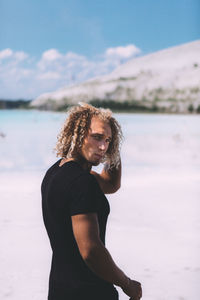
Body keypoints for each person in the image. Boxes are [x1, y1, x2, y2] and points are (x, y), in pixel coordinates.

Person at [41, 103, 142, 300]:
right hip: (88, 290)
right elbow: (91, 250)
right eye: (96, 137)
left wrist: (112, 150)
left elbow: (111, 184)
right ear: (76, 133)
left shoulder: (55, 172)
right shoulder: (82, 183)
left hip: (59, 288)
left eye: (108, 141)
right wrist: (126, 283)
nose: (103, 146)